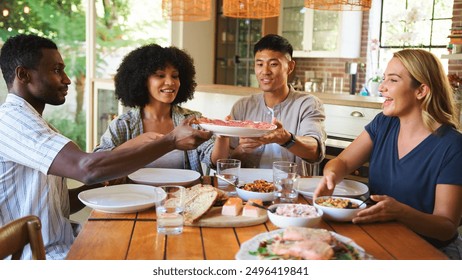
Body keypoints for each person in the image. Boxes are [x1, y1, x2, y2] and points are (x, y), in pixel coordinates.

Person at [0, 34, 212, 260]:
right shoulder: (12, 122)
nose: (67, 79)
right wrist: (170, 141)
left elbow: (63, 206)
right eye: (56, 70)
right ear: (23, 75)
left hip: (67, 242)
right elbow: (87, 168)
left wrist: (99, 183)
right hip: (43, 257)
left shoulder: (37, 123)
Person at [314, 49, 462, 259]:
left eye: (392, 80)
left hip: (432, 251)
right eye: (384, 79)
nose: (382, 87)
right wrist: (331, 175)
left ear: (421, 90)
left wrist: (400, 212)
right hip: (381, 235)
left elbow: (446, 226)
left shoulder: (452, 146)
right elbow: (343, 162)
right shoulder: (383, 124)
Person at [93, 44, 229, 174]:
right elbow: (96, 163)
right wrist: (133, 144)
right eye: (160, 75)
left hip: (184, 195)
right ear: (142, 80)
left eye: (175, 76)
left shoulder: (192, 120)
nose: (170, 82)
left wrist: (223, 135)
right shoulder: (124, 124)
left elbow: (215, 162)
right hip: (137, 196)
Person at [228, 34, 326, 174]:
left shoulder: (308, 104)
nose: (265, 71)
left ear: (290, 67)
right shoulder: (242, 106)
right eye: (260, 64)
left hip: (293, 190)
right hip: (248, 189)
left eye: (273, 64)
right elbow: (227, 159)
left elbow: (315, 151)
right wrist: (241, 150)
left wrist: (286, 138)